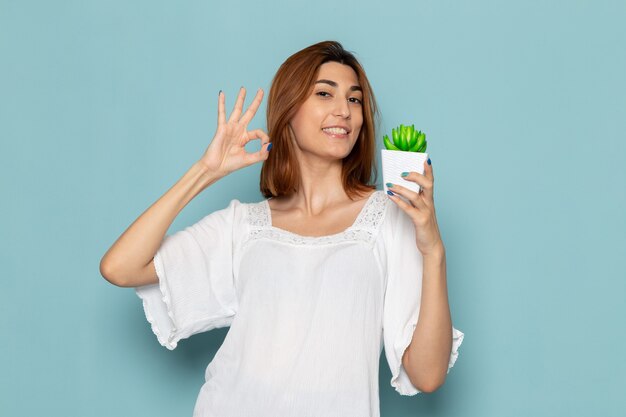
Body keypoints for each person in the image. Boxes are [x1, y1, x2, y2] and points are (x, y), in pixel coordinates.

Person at [100, 40, 464, 417]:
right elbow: (120, 267)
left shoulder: (389, 218)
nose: (344, 111)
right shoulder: (244, 226)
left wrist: (434, 251)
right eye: (325, 94)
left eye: (354, 100)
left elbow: (427, 375)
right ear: (289, 111)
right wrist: (205, 172)